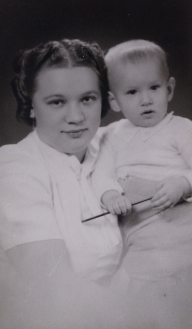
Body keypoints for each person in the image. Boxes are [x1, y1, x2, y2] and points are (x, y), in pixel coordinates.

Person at [0, 39, 131, 329]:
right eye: (57, 102)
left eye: (87, 99)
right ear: (30, 105)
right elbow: (56, 290)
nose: (76, 117)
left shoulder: (113, 147)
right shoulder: (13, 168)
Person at [92, 39, 192, 327]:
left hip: (182, 222)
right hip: (143, 230)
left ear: (169, 88)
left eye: (154, 88)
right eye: (132, 92)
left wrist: (183, 183)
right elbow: (102, 174)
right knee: (136, 285)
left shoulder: (181, 129)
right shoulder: (112, 135)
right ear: (114, 101)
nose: (146, 99)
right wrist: (110, 195)